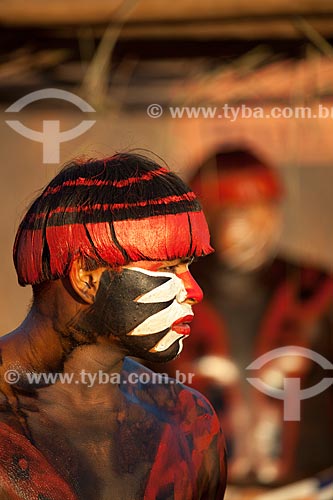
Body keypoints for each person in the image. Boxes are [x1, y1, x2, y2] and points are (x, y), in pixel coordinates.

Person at [0, 153, 227, 499]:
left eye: (189, 266)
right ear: (86, 278)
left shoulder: (189, 423)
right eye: (167, 268)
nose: (195, 291)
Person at [161, 147, 333, 485]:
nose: (241, 226)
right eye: (227, 209)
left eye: (258, 207)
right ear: (199, 217)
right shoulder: (165, 292)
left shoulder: (317, 292)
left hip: (309, 488)